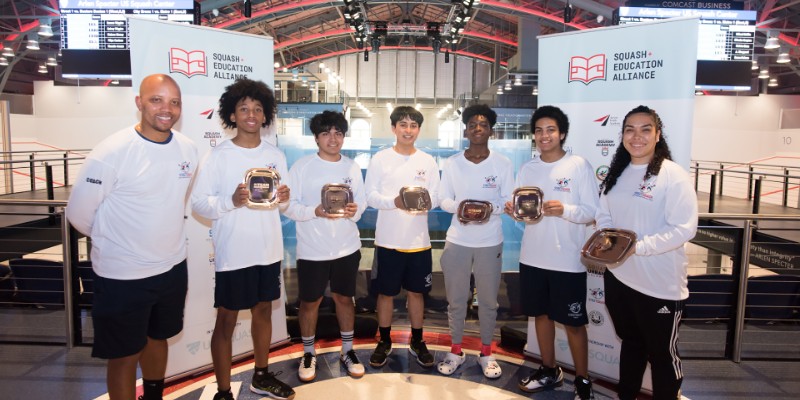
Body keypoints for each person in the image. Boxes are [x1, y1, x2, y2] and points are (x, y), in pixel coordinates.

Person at [66, 74, 199, 400]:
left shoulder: (188, 149)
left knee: (159, 338)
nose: (166, 109)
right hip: (123, 275)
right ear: (139, 103)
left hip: (171, 268)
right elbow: (79, 216)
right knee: (124, 355)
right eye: (157, 100)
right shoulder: (111, 152)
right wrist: (119, 245)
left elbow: (174, 201)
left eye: (174, 102)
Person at [190, 78, 294, 400]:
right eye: (244, 108)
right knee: (226, 320)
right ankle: (223, 391)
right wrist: (230, 202)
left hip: (268, 250)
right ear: (232, 115)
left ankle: (261, 376)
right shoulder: (218, 156)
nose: (251, 114)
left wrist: (285, 197)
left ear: (266, 116)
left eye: (258, 109)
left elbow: (284, 202)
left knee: (263, 312)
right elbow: (198, 203)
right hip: (234, 252)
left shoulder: (275, 155)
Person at [596, 105, 697, 400]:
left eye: (645, 129)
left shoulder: (672, 175)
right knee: (631, 344)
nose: (636, 136)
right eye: (629, 129)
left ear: (657, 134)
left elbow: (684, 229)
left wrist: (637, 248)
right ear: (622, 134)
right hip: (619, 278)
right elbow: (604, 216)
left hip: (660, 286)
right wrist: (608, 242)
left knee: (663, 357)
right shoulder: (617, 173)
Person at [508, 106, 598, 400]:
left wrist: (565, 209)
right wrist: (515, 211)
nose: (544, 136)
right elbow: (524, 212)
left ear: (562, 134)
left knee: (573, 323)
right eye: (538, 130)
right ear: (533, 135)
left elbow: (591, 212)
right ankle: (549, 369)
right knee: (542, 317)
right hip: (532, 257)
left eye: (550, 130)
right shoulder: (528, 168)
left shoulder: (578, 166)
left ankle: (583, 380)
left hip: (568, 260)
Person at [283, 111, 367, 382]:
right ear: (316, 137)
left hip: (346, 247)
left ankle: (347, 350)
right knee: (310, 302)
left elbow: (361, 205)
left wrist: (354, 210)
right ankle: (309, 352)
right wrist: (314, 211)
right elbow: (287, 206)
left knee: (344, 298)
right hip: (313, 249)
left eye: (338, 133)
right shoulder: (302, 168)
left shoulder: (352, 167)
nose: (333, 138)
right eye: (326, 133)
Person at [436, 104, 513, 379]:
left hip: (490, 241)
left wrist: (488, 210)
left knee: (489, 302)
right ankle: (455, 350)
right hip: (457, 240)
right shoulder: (453, 162)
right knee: (456, 300)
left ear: (491, 130)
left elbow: (508, 201)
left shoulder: (502, 164)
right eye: (472, 124)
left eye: (483, 124)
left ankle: (486, 353)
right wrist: (460, 208)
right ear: (466, 130)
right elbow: (442, 198)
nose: (477, 128)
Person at [364, 106, 440, 368]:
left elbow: (436, 197)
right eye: (403, 125)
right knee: (385, 294)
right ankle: (384, 340)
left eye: (413, 125)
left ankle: (417, 340)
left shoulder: (428, 162)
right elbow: (370, 195)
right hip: (388, 241)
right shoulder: (380, 159)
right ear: (393, 128)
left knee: (416, 294)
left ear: (419, 130)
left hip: (419, 242)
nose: (408, 130)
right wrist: (394, 201)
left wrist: (425, 202)